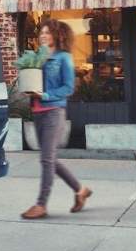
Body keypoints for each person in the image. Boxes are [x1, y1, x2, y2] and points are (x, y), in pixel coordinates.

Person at [21, 19, 92, 219]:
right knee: (50, 159)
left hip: (53, 111)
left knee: (47, 159)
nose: (42, 36)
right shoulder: (39, 57)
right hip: (37, 111)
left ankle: (41, 204)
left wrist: (45, 95)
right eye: (41, 33)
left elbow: (68, 88)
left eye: (47, 33)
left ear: (57, 35)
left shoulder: (64, 58)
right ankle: (81, 190)